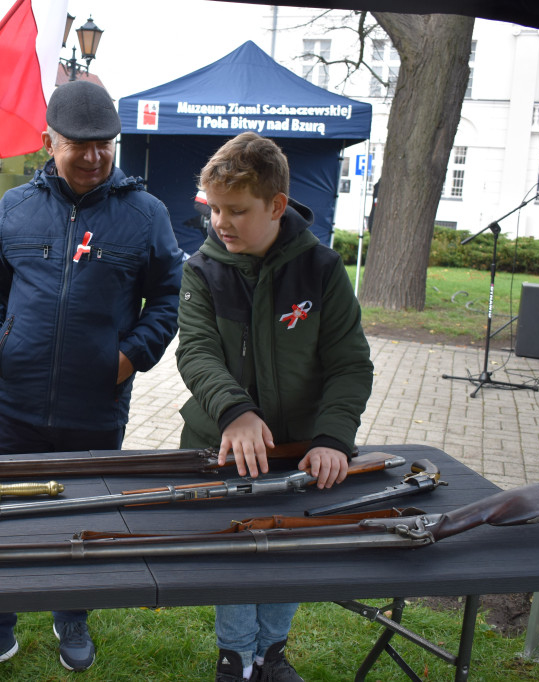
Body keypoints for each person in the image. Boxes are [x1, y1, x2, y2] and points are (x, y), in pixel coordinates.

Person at [0, 80, 183, 682]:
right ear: (50, 141)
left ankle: (71, 617)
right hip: (17, 404)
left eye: (106, 144)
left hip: (96, 409)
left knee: (84, 523)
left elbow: (167, 299)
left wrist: (128, 358)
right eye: (80, 144)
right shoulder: (18, 207)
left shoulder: (145, 215)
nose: (94, 156)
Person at [175, 132, 373, 682]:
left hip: (301, 449)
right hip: (220, 446)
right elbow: (195, 352)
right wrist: (234, 413)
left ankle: (272, 654)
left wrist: (332, 437)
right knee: (237, 550)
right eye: (213, 208)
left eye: (236, 210)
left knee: (290, 547)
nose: (221, 222)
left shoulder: (322, 270)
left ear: (277, 205)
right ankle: (235, 657)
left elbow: (350, 365)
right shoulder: (201, 270)